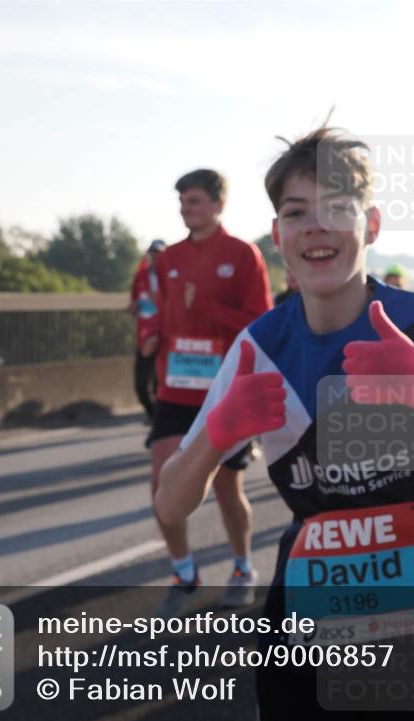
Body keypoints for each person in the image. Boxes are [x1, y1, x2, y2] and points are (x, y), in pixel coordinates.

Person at [154, 127, 414, 721]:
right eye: (297, 213)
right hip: (304, 622)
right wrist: (217, 434)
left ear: (370, 225)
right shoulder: (259, 347)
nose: (315, 228)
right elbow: (170, 504)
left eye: (336, 209)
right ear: (278, 237)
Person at [145, 168, 272, 615]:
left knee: (225, 488)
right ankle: (184, 573)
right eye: (182, 202)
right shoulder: (169, 257)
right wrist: (153, 335)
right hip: (175, 390)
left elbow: (260, 322)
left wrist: (210, 307)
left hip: (222, 391)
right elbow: (162, 311)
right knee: (162, 483)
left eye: (194, 201)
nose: (186, 209)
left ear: (218, 204)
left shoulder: (242, 255)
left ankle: (242, 566)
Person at [129, 239, 165, 422]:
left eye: (159, 254)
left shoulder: (172, 275)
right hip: (145, 337)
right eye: (153, 254)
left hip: (165, 338)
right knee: (140, 385)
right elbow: (134, 303)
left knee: (160, 386)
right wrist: (134, 307)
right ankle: (154, 417)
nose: (156, 258)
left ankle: (158, 422)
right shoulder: (141, 276)